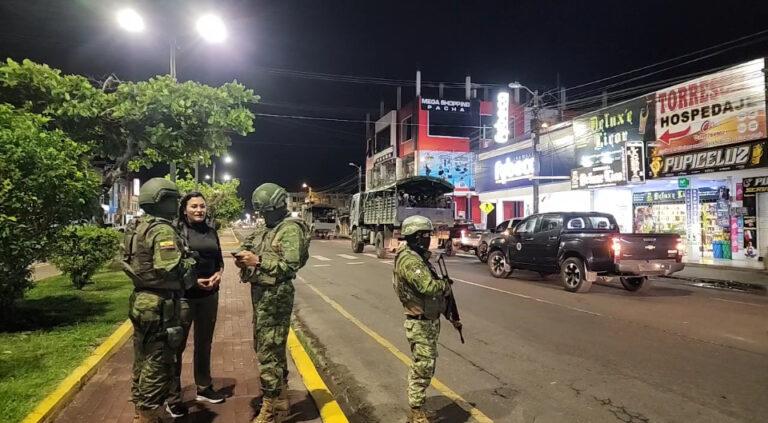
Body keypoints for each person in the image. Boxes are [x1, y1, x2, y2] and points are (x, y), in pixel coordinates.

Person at [234, 183, 310, 423]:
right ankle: (280, 398)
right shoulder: (267, 228)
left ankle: (271, 408)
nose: (264, 215)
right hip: (262, 296)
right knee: (268, 348)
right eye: (261, 212)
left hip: (276, 296)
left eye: (267, 211)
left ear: (279, 206)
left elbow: (290, 266)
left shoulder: (289, 230)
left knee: (269, 352)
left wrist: (258, 261)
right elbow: (247, 245)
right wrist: (243, 257)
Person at [122, 178, 195, 423]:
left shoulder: (137, 226)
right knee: (158, 361)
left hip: (142, 300)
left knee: (142, 357)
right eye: (174, 198)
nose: (177, 203)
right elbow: (169, 269)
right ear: (161, 200)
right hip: (159, 303)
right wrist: (190, 263)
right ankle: (150, 413)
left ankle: (142, 409)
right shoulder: (162, 229)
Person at [166, 192, 226, 418]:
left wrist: (219, 274)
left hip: (210, 295)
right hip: (184, 296)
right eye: (194, 206)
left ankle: (204, 387)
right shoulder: (176, 232)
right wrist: (191, 281)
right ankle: (172, 397)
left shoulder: (211, 231)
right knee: (176, 346)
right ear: (184, 209)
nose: (199, 210)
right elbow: (170, 265)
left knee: (204, 343)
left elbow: (219, 259)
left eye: (202, 206)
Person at [393, 215, 455, 423]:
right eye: (425, 235)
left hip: (428, 320)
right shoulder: (410, 260)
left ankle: (419, 406)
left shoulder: (419, 257)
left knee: (427, 365)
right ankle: (416, 410)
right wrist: (444, 285)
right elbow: (427, 286)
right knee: (422, 366)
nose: (429, 238)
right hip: (419, 321)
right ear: (416, 236)